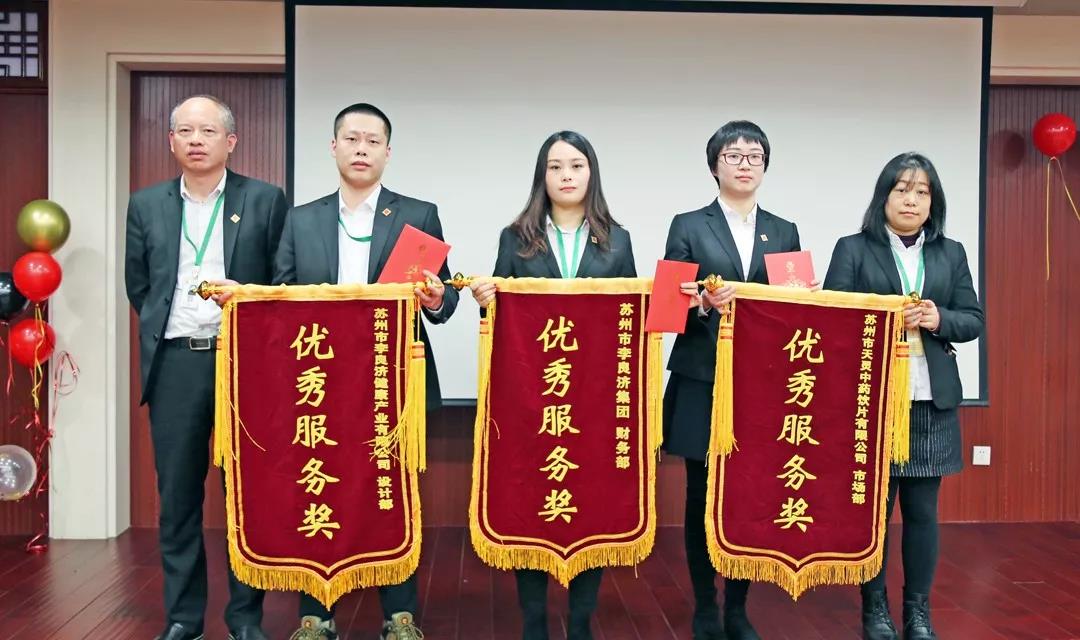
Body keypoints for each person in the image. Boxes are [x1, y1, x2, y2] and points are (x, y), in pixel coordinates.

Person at [273, 102, 457, 640]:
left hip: (391, 378)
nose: (361, 149)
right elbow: (280, 296)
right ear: (334, 147)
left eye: (372, 141)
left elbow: (443, 302)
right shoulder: (301, 218)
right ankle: (316, 614)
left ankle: (399, 615)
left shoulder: (418, 215)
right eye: (351, 139)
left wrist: (436, 297)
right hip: (319, 380)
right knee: (317, 487)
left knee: (392, 494)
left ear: (387, 153)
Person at [124, 94, 287, 640]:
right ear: (171, 140)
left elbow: (283, 282)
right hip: (176, 363)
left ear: (230, 141)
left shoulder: (263, 200)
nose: (196, 140)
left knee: (246, 494)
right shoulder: (146, 204)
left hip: (243, 363)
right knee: (178, 498)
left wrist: (250, 297)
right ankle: (183, 618)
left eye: (208, 131)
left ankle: (245, 618)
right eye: (185, 131)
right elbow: (140, 287)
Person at [470, 130, 636, 640]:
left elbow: (631, 316)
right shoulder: (515, 237)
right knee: (532, 503)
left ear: (591, 173)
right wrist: (486, 298)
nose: (566, 176)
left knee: (590, 505)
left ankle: (581, 623)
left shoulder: (618, 239)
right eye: (556, 166)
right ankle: (535, 624)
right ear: (542, 176)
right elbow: (502, 318)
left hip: (593, 401)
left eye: (576, 166)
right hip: (531, 401)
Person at [824, 152, 983, 640]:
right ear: (884, 197)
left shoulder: (950, 253)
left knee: (921, 513)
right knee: (872, 513)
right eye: (902, 189)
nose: (911, 200)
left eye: (922, 191)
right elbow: (832, 319)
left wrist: (938, 318)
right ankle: (874, 609)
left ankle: (918, 612)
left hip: (930, 399)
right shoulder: (853, 249)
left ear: (933, 202)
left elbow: (972, 320)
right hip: (872, 400)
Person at [662, 120, 806, 640]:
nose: (744, 164)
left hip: (760, 381)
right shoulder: (687, 224)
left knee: (748, 492)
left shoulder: (784, 230)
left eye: (754, 156)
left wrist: (802, 299)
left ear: (765, 167)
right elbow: (667, 304)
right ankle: (705, 605)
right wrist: (701, 301)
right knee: (701, 492)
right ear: (714, 166)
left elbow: (793, 311)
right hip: (702, 376)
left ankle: (738, 607)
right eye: (733, 155)